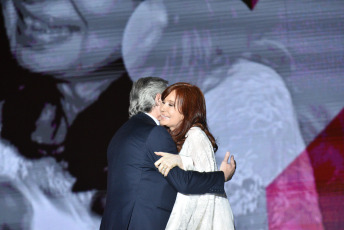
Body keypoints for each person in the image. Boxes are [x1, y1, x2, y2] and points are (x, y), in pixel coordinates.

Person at [100, 77, 236, 230]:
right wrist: (222, 176)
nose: (166, 107)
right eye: (166, 102)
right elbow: (183, 183)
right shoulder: (155, 133)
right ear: (158, 99)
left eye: (172, 104)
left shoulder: (122, 132)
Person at [154, 82, 235, 229]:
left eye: (171, 105)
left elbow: (205, 196)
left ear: (188, 110)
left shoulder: (196, 136)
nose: (162, 108)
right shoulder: (178, 137)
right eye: (163, 102)